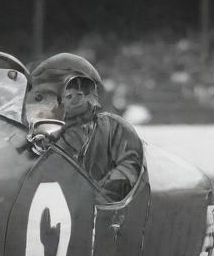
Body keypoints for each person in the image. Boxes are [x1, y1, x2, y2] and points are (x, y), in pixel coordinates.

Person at [26, 52, 143, 202]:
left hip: (90, 214)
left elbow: (129, 167)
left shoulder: (112, 128)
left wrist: (95, 200)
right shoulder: (31, 130)